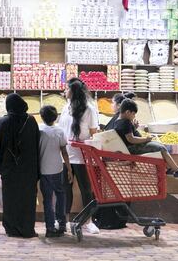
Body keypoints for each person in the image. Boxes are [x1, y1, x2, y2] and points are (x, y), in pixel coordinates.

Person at [0, 93, 39, 238]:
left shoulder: (3, 122)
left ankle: (12, 228)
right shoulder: (31, 121)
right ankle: (27, 228)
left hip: (10, 167)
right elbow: (36, 145)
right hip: (28, 168)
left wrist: (0, 166)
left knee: (10, 198)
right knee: (27, 198)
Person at [115, 98, 178, 179]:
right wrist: (146, 139)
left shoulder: (119, 121)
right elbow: (131, 139)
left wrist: (134, 127)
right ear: (128, 112)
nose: (134, 116)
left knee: (159, 146)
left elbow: (127, 134)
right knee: (161, 148)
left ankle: (169, 168)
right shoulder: (125, 122)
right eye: (133, 114)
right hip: (133, 148)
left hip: (132, 146)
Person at [58, 80, 100, 234]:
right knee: (65, 188)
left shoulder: (89, 109)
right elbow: (62, 129)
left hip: (82, 155)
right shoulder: (65, 107)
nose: (64, 91)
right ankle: (65, 220)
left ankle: (88, 221)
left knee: (86, 189)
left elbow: (94, 132)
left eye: (67, 88)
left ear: (74, 91)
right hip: (65, 155)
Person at [95, 93, 130, 230]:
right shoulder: (119, 119)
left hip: (117, 163)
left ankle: (113, 220)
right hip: (115, 162)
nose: (111, 105)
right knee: (115, 192)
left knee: (115, 192)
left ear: (119, 105)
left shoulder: (121, 120)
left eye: (113, 102)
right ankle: (113, 220)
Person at [38, 105, 71, 238]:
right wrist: (69, 169)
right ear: (56, 117)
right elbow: (64, 151)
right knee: (60, 196)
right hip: (57, 168)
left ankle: (50, 228)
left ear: (41, 116)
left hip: (43, 169)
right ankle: (62, 224)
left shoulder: (39, 130)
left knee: (47, 199)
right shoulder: (60, 131)